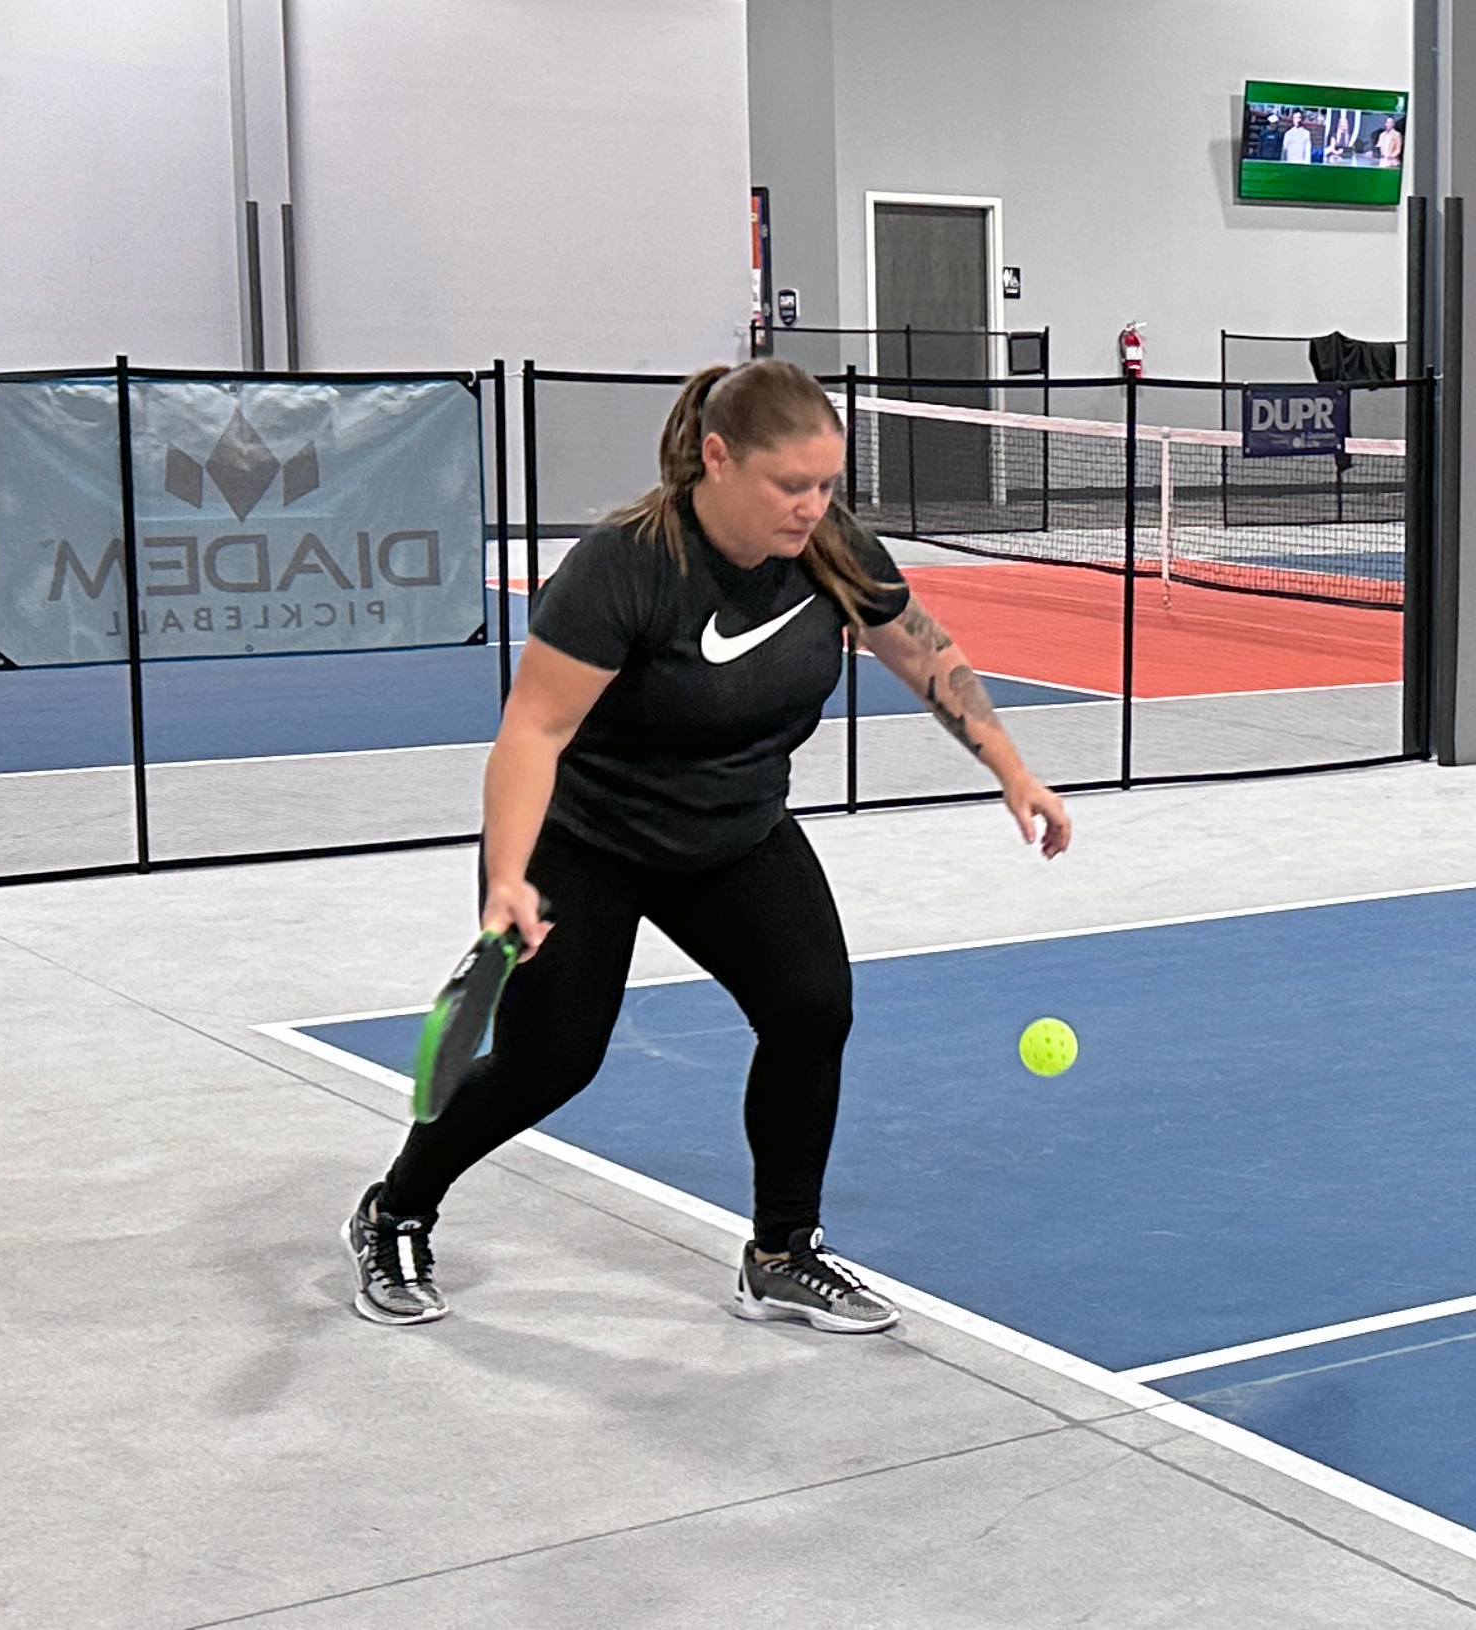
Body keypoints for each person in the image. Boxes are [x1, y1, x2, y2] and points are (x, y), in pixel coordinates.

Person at [343, 358, 1072, 1334]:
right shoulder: (625, 564)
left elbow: (922, 649)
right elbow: (533, 732)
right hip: (585, 836)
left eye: (826, 485)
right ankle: (396, 1207)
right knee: (548, 1060)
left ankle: (782, 1253)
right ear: (717, 459)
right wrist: (509, 874)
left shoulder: (831, 550)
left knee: (812, 1009)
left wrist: (1010, 767)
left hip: (735, 828)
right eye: (790, 485)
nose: (812, 506)